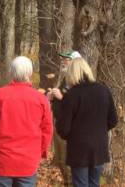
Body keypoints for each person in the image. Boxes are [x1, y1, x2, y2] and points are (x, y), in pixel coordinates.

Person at [0, 56, 53, 187]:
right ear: (30, 73)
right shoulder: (40, 99)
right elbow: (47, 130)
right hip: (27, 160)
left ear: (11, 72)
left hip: (1, 158)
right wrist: (40, 151)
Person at [50, 57, 118, 187]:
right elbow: (113, 120)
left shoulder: (72, 95)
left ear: (71, 74)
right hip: (99, 146)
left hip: (79, 149)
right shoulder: (104, 90)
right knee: (94, 183)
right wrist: (98, 131)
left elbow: (63, 129)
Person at [50, 50, 82, 186]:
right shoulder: (64, 79)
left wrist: (61, 97)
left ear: (74, 63)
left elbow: (78, 108)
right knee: (61, 162)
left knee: (69, 164)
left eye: (66, 59)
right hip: (59, 126)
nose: (63, 61)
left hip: (70, 131)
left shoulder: (80, 83)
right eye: (63, 59)